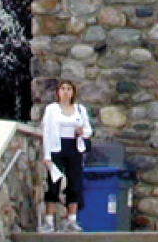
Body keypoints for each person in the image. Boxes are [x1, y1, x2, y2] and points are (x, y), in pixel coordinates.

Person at [38, 80, 94, 232]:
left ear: (73, 92)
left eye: (69, 89)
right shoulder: (52, 109)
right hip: (57, 148)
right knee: (53, 183)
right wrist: (47, 154)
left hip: (74, 147)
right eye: (63, 89)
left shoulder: (79, 110)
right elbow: (47, 132)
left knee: (74, 183)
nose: (66, 92)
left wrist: (82, 132)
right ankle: (49, 221)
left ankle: (71, 220)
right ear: (58, 92)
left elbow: (89, 130)